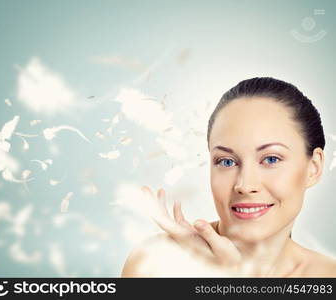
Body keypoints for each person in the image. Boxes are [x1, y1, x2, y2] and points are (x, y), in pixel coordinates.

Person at [121, 77, 336, 277]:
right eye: (227, 162)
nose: (244, 185)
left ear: (313, 168)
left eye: (271, 159)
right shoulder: (155, 264)